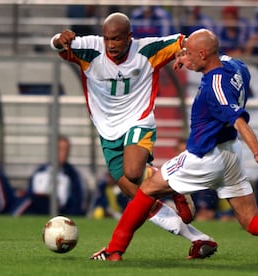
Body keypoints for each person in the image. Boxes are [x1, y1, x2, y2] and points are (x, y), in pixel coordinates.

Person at [90, 29, 258, 265]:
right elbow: (216, 60)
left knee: (146, 189)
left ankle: (114, 249)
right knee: (251, 221)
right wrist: (185, 57)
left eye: (190, 54)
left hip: (204, 157)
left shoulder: (214, 89)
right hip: (230, 155)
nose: (185, 57)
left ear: (204, 54)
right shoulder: (235, 66)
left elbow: (239, 121)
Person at [50, 12, 217, 259]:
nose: (111, 45)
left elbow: (186, 40)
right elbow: (56, 44)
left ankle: (173, 186)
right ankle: (198, 237)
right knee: (138, 196)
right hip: (107, 131)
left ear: (130, 37)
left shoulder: (148, 50)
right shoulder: (90, 49)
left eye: (116, 39)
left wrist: (186, 55)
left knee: (133, 173)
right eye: (107, 39)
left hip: (138, 121)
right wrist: (58, 38)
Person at [12, 135, 87, 216]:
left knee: (28, 199)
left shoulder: (73, 175)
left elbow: (79, 201)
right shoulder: (40, 171)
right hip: (39, 205)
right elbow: (31, 190)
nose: (63, 153)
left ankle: (13, 216)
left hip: (61, 209)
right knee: (26, 197)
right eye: (60, 150)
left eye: (66, 150)